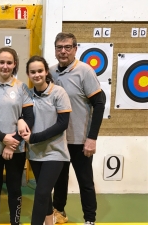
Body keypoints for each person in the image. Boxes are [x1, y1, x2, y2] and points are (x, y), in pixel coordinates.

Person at [50, 33, 105, 225]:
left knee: (85, 182)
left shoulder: (85, 71)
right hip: (58, 139)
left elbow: (99, 104)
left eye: (67, 47)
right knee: (59, 180)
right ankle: (59, 212)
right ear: (55, 49)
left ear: (75, 49)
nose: (63, 51)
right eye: (59, 47)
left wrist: (92, 138)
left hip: (80, 140)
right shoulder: (51, 72)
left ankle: (90, 219)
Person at [0, 47, 34, 225]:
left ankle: (14, 222)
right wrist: (4, 138)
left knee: (14, 189)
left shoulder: (22, 87)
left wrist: (13, 143)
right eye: (1, 62)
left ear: (14, 64)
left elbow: (29, 117)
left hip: (16, 149)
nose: (5, 66)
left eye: (9, 62)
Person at [18, 55, 72, 225]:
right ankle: (49, 222)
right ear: (28, 74)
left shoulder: (58, 92)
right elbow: (21, 114)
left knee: (41, 193)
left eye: (40, 71)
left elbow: (62, 124)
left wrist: (34, 138)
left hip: (55, 152)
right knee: (45, 194)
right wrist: (20, 120)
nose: (37, 75)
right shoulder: (27, 94)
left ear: (46, 71)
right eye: (33, 72)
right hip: (35, 153)